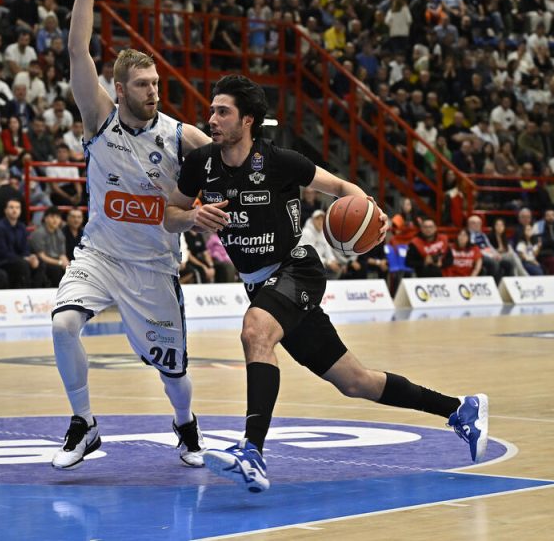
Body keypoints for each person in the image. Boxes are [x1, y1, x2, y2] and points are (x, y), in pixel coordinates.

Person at [164, 75, 488, 493]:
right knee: (355, 382)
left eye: (222, 112)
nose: (211, 119)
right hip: (259, 285)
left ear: (247, 120)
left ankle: (252, 452)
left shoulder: (279, 161)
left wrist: (372, 212)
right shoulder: (200, 163)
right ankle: (460, 409)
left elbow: (339, 187)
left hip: (296, 268)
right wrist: (192, 216)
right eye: (211, 110)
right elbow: (170, 213)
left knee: (255, 330)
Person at [48, 0, 214, 471]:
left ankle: (185, 424)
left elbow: (233, 160)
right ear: (119, 89)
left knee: (174, 375)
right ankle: (84, 424)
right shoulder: (98, 119)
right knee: (63, 326)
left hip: (153, 267)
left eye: (156, 83)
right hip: (100, 254)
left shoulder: (180, 136)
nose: (154, 91)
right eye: (143, 85)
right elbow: (77, 50)